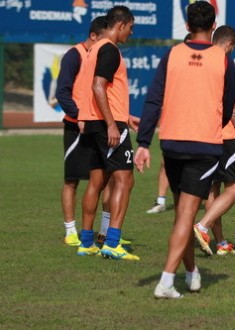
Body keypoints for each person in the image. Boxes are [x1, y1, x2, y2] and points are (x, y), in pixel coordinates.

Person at [135, 1, 234, 298]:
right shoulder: (223, 58)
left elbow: (153, 99)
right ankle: (166, 281)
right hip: (204, 146)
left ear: (187, 25)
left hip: (172, 144)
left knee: (183, 213)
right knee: (185, 216)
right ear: (213, 25)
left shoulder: (173, 54)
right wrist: (212, 124)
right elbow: (229, 103)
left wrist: (143, 143)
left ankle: (191, 273)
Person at [74, 5, 138, 260]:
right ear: (120, 24)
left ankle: (86, 241)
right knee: (125, 179)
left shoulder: (93, 49)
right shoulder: (110, 49)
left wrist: (125, 117)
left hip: (92, 122)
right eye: (130, 28)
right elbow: (98, 86)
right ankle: (112, 242)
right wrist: (113, 123)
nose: (130, 34)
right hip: (106, 125)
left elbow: (103, 91)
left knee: (96, 182)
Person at [192, 25, 235, 256]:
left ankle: (220, 243)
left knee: (213, 191)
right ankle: (202, 225)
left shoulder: (199, 61)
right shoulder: (225, 62)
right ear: (229, 44)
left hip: (204, 135)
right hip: (227, 136)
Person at [55, 16, 107, 246]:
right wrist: (79, 117)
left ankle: (103, 231)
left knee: (104, 180)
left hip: (97, 126)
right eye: (102, 39)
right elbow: (62, 92)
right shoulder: (73, 55)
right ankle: (70, 230)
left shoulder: (102, 55)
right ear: (93, 36)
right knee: (72, 180)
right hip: (76, 127)